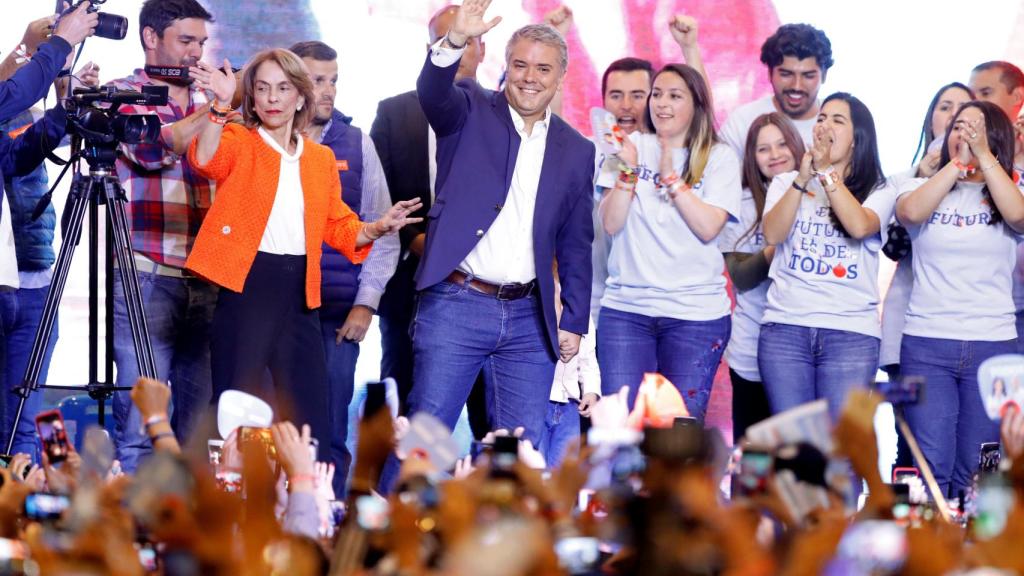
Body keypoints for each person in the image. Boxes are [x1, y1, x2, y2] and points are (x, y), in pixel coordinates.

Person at [187, 48, 420, 460]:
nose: (272, 98)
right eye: (262, 89)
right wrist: (221, 105)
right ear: (252, 97)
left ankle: (309, 495)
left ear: (299, 96)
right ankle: (226, 497)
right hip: (248, 287)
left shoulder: (319, 159)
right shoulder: (241, 140)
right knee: (233, 410)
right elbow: (205, 160)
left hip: (301, 296)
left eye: (282, 88)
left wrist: (377, 227)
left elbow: (339, 226)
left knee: (310, 416)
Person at [405, 0, 595, 448]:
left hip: (530, 317)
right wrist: (455, 39)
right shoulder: (469, 107)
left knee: (520, 452)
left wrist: (574, 319)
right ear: (506, 67)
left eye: (544, 69)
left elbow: (576, 242)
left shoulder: (577, 149)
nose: (531, 77)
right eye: (521, 65)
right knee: (423, 442)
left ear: (561, 77)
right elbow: (432, 91)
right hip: (457, 302)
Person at [107, 0, 218, 472]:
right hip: (146, 276)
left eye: (202, 43)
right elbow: (153, 150)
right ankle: (134, 519)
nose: (197, 53)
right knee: (139, 429)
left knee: (200, 435)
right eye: (186, 40)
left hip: (209, 279)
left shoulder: (210, 98)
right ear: (150, 37)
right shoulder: (121, 94)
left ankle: (193, 519)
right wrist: (219, 109)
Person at [596, 63, 741, 419]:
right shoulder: (629, 146)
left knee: (678, 434)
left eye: (674, 96)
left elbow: (708, 227)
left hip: (695, 316)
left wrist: (672, 179)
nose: (662, 103)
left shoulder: (719, 157)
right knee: (619, 428)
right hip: (627, 310)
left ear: (697, 104)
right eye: (657, 94)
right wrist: (629, 171)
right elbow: (611, 223)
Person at [895, 100, 1024, 499]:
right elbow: (910, 213)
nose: (964, 134)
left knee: (981, 468)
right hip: (927, 344)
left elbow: (1019, 217)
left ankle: (973, 539)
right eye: (958, 126)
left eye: (976, 128)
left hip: (993, 345)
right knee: (930, 462)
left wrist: (984, 157)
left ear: (995, 137)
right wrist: (957, 165)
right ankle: (933, 538)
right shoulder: (919, 187)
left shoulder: (1012, 191)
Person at [289, 40, 399, 495]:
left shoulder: (357, 143)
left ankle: (330, 520)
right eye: (317, 80)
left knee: (330, 429)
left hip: (336, 313)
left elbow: (383, 230)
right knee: (271, 424)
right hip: (275, 310)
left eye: (333, 80)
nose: (329, 90)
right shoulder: (261, 140)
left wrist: (366, 304)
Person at [372, 5, 486, 414]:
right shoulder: (394, 112)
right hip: (409, 280)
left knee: (486, 410)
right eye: (447, 40)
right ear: (430, 50)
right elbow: (378, 192)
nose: (457, 48)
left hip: (484, 282)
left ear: (482, 49)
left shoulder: (502, 116)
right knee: (404, 399)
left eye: (467, 41)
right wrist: (414, 239)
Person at [0, 4, 98, 454]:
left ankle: (41, 489)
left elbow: (17, 159)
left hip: (32, 279)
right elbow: (12, 94)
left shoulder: (24, 106)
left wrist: (67, 109)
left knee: (29, 417)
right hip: (8, 282)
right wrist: (55, 43)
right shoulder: (11, 93)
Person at [758, 92, 893, 418]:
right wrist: (803, 179)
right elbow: (772, 234)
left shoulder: (880, 188)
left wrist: (827, 172)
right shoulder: (786, 182)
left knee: (841, 445)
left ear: (857, 139)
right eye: (821, 118)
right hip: (786, 328)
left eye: (837, 120)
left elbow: (859, 226)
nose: (825, 125)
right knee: (794, 442)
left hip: (850, 334)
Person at [878, 82, 972, 470]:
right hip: (905, 335)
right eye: (945, 108)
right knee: (909, 443)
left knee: (967, 445)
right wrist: (923, 178)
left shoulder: (990, 187)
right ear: (930, 119)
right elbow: (892, 248)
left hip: (969, 334)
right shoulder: (903, 181)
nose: (954, 118)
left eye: (965, 111)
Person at [717, 113, 805, 442]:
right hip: (751, 346)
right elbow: (741, 276)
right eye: (763, 149)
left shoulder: (821, 195)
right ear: (752, 157)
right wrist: (777, 241)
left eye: (782, 144)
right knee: (754, 454)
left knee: (797, 453)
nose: (775, 155)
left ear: (797, 146)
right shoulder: (740, 203)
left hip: (804, 347)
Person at [719, 23, 833, 161]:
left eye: (808, 76)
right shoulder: (742, 121)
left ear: (824, 76)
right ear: (769, 73)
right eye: (786, 74)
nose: (796, 86)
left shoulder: (840, 124)